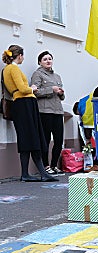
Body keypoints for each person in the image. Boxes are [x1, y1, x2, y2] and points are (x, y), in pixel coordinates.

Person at [2, 45, 57, 182]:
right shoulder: (13, 68)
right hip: (25, 103)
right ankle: (38, 173)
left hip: (20, 104)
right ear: (19, 55)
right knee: (32, 137)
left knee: (27, 138)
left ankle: (30, 173)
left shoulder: (6, 69)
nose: (23, 58)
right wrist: (32, 88)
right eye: (22, 55)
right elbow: (22, 88)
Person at [31, 51, 65, 175]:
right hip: (45, 111)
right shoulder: (37, 74)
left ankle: (54, 165)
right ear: (40, 62)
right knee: (45, 139)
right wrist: (51, 89)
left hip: (57, 111)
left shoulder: (57, 76)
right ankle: (45, 166)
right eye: (45, 59)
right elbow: (35, 92)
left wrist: (61, 93)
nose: (48, 61)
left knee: (59, 140)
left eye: (50, 59)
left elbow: (61, 96)